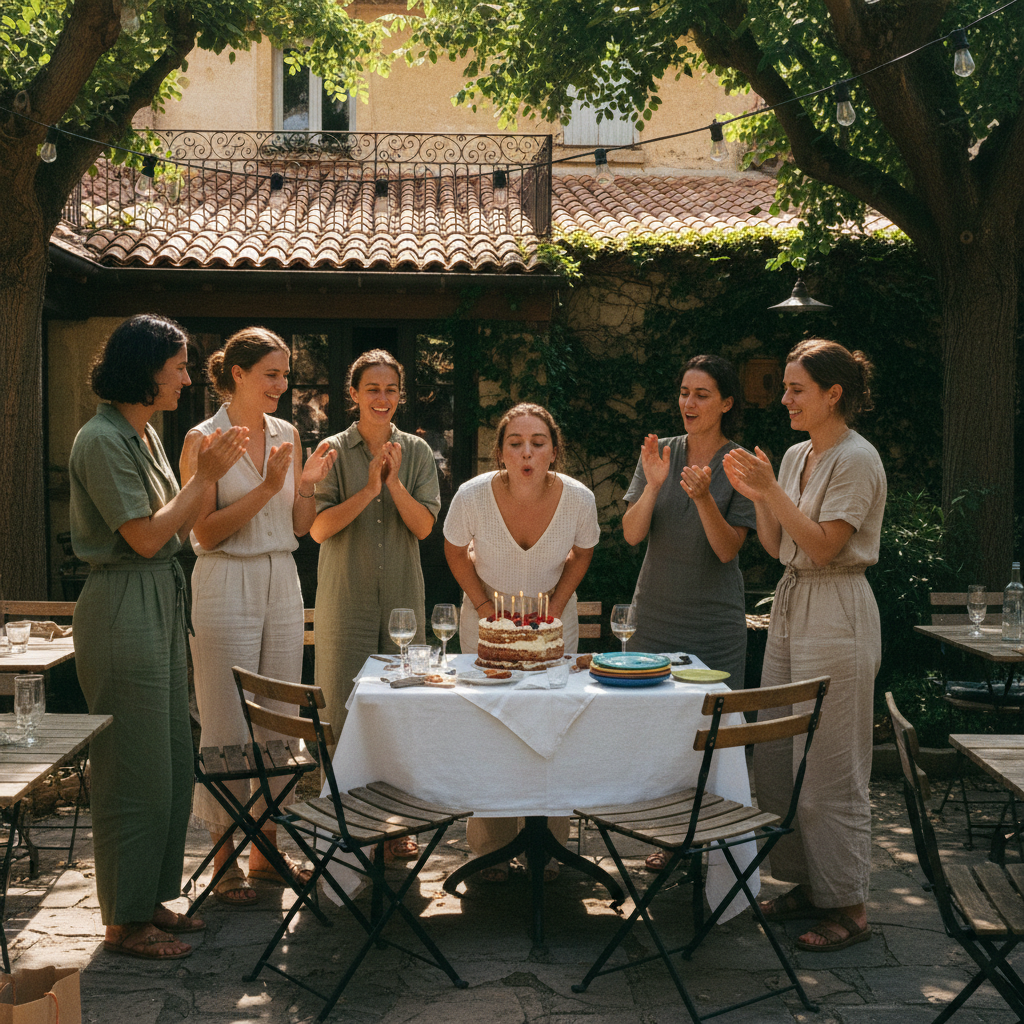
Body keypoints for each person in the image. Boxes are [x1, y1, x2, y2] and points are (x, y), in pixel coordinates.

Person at [70, 314, 247, 960]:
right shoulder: (100, 439)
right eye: (178, 366)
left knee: (171, 759)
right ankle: (123, 922)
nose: (187, 379)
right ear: (145, 369)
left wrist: (204, 482)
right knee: (132, 768)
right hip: (123, 605)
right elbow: (146, 537)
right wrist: (205, 478)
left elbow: (172, 530)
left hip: (162, 600)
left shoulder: (142, 434)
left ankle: (148, 899)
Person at [723, 339, 886, 953]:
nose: (784, 398)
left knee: (830, 768)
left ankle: (850, 905)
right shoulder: (795, 455)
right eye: (786, 388)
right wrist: (762, 494)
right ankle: (808, 884)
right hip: (792, 605)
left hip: (838, 609)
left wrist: (772, 492)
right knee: (778, 758)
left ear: (833, 394)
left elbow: (821, 547)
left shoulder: (857, 459)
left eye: (796, 389)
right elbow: (777, 547)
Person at [181, 327, 338, 907]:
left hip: (282, 579)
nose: (282, 384)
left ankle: (266, 851)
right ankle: (224, 860)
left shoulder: (287, 433)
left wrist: (307, 487)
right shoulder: (204, 438)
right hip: (226, 580)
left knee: (277, 718)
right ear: (238, 374)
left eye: (286, 374)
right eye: (272, 374)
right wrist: (270, 485)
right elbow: (204, 533)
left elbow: (298, 526)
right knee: (226, 720)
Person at [443, 402, 600, 881]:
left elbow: (583, 552)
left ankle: (549, 849)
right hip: (485, 623)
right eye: (515, 443)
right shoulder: (472, 496)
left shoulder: (578, 498)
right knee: (490, 730)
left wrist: (556, 604)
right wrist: (484, 607)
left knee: (552, 729)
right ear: (500, 452)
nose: (526, 452)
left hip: (554, 624)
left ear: (554, 451)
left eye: (537, 442)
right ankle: (489, 848)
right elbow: (454, 550)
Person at [311, 349, 440, 860]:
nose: (381, 398)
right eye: (372, 389)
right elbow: (318, 528)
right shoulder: (331, 450)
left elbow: (424, 527)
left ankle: (393, 827)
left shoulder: (419, 452)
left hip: (403, 604)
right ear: (354, 393)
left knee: (402, 714)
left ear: (400, 395)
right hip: (346, 601)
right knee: (341, 715)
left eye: (390, 389)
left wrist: (394, 485)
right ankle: (343, 828)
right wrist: (368, 490)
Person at [622, 354, 754, 680]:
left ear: (726, 404)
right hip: (651, 624)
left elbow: (727, 550)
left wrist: (704, 499)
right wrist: (653, 486)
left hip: (715, 631)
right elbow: (631, 534)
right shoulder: (659, 453)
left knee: (712, 713)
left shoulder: (742, 464)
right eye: (684, 393)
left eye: (701, 395)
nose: (688, 403)